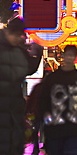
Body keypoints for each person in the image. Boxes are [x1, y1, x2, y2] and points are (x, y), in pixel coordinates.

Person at [0, 17, 43, 155]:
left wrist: (37, 53)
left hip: (13, 112)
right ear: (10, 33)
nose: (22, 38)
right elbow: (25, 68)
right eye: (20, 35)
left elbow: (27, 68)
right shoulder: (12, 52)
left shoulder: (17, 51)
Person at [40, 45, 77, 155]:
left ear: (75, 57)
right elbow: (43, 100)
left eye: (72, 55)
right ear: (63, 56)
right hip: (54, 129)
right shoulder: (52, 78)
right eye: (67, 55)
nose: (69, 58)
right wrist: (45, 116)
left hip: (74, 129)